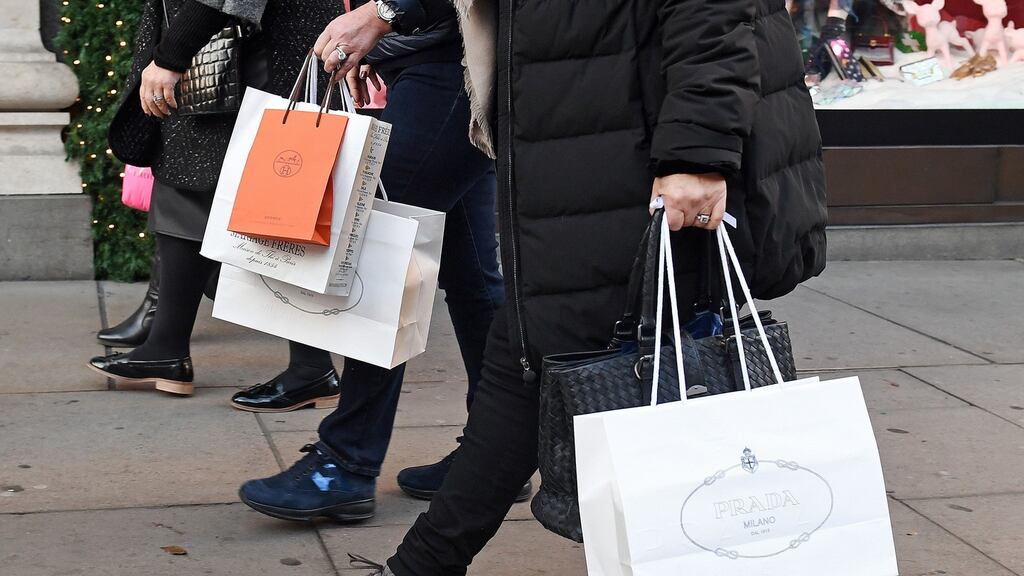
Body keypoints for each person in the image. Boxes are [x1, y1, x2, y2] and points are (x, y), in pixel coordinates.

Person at [262, 0, 827, 573]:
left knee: (534, 354)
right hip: (574, 141)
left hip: (626, 148)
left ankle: (420, 556)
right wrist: (387, 19)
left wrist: (696, 158)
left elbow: (711, 15)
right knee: (535, 352)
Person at [235, 0, 536, 521]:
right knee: (470, 275)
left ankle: (345, 464)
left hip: (455, 69)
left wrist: (386, 14)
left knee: (377, 257)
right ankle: (496, 457)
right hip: (456, 62)